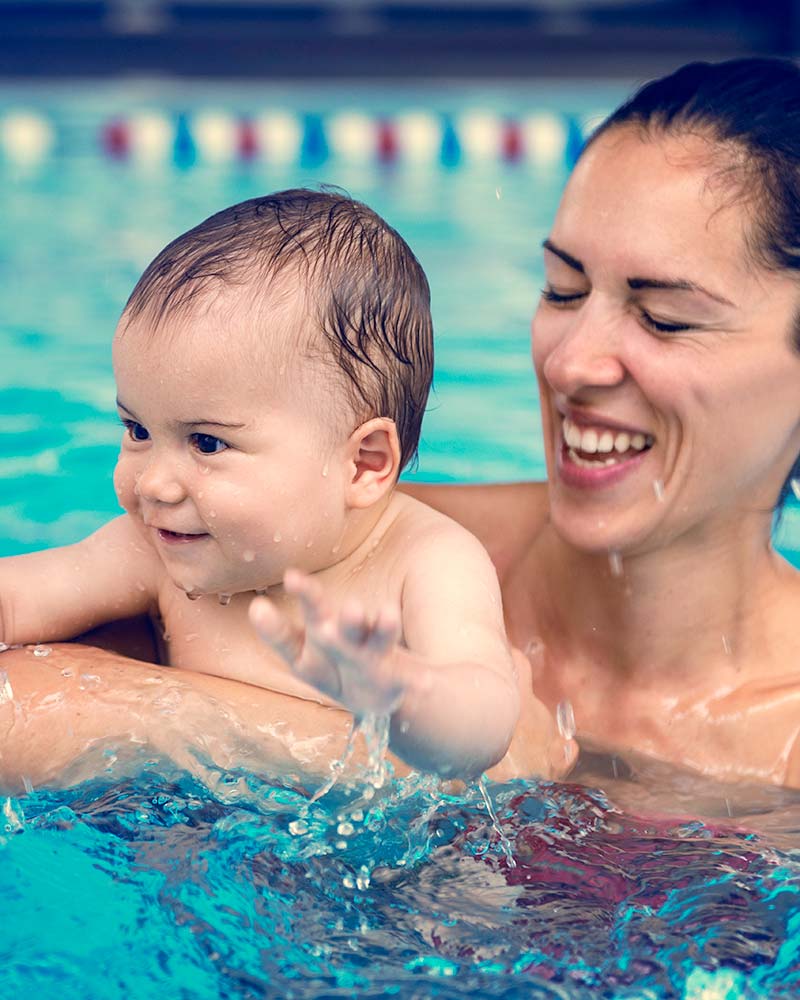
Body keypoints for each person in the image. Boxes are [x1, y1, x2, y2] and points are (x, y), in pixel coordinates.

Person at [0, 188, 572, 786]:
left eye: (206, 443)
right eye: (137, 429)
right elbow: (19, 598)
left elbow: (484, 725)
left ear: (363, 465)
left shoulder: (426, 561)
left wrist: (398, 689)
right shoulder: (157, 551)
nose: (152, 483)